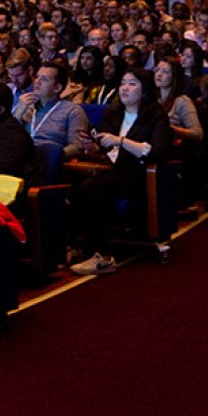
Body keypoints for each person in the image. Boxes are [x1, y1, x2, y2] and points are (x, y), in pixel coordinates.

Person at [69, 69, 171, 276]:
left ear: (144, 90)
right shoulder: (113, 113)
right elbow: (108, 150)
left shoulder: (155, 114)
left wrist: (121, 141)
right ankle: (77, 246)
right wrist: (93, 146)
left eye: (132, 84)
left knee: (92, 188)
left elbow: (157, 152)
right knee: (73, 182)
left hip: (141, 173)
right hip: (113, 169)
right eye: (123, 83)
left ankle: (104, 257)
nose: (125, 88)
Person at [14, 60, 90, 159]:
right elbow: (11, 138)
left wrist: (51, 156)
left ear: (57, 88)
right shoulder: (26, 107)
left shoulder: (73, 111)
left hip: (49, 163)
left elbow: (77, 147)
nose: (37, 82)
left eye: (44, 79)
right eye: (37, 77)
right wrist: (17, 115)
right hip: (23, 159)